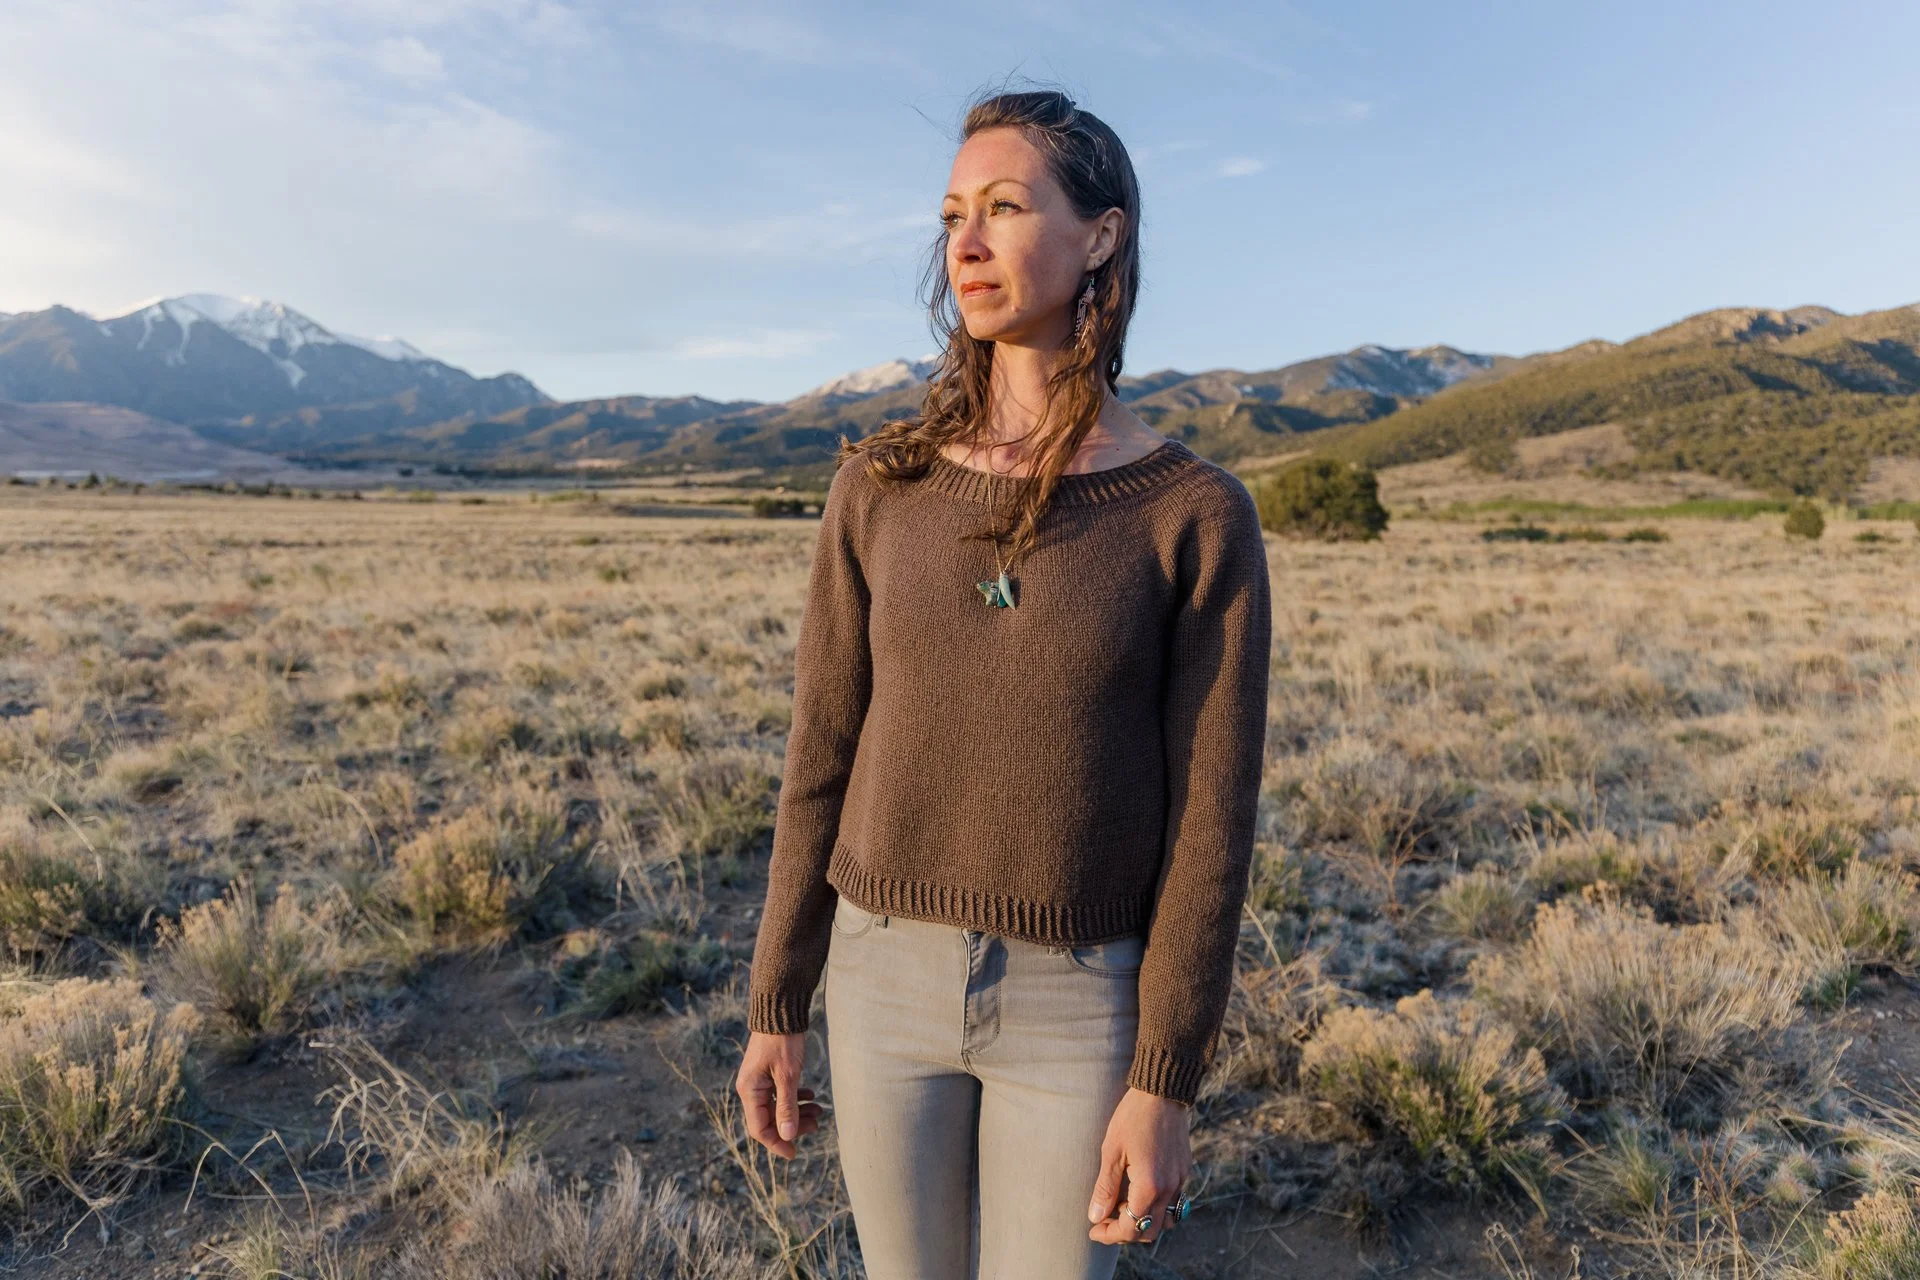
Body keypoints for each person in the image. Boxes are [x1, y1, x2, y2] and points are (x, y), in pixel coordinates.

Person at [733, 85, 1272, 1278]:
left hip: (1081, 1006)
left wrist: (1166, 1078)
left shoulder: (1193, 515)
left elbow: (1210, 829)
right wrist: (781, 998)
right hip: (882, 980)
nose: (966, 243)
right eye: (952, 215)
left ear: (1103, 234)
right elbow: (821, 753)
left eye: (1007, 206)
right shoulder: (881, 485)